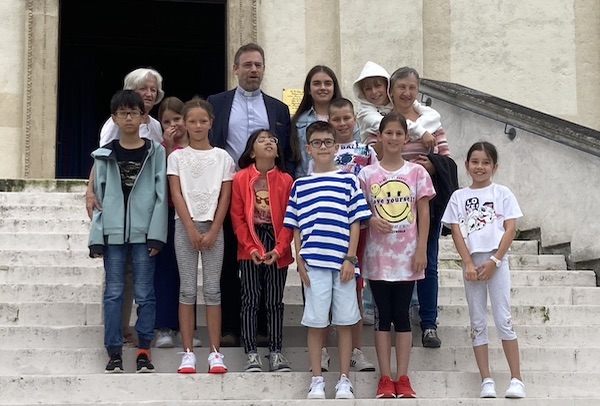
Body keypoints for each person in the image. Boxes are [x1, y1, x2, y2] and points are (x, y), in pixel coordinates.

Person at [208, 43, 292, 347]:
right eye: (247, 65)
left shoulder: (278, 109)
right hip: (230, 188)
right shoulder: (216, 103)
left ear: (264, 69)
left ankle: (263, 328)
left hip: (267, 193)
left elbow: (287, 151)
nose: (253, 70)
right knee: (231, 259)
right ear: (235, 69)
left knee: (266, 259)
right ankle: (232, 327)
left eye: (258, 65)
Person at [284, 121, 372, 400]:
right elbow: (295, 225)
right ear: (308, 148)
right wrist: (299, 259)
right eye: (317, 142)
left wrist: (350, 258)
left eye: (328, 142)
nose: (323, 147)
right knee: (316, 322)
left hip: (342, 263)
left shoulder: (348, 181)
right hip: (313, 263)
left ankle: (344, 380)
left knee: (345, 322)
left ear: (336, 147)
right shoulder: (300, 185)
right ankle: (317, 380)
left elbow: (355, 222)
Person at [88, 90, 168, 373]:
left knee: (145, 293)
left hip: (144, 234)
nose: (129, 118)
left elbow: (161, 195)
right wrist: (96, 238)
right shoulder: (103, 155)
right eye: (122, 113)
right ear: (114, 118)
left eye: (134, 113)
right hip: (113, 235)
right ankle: (114, 352)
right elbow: (99, 199)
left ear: (143, 117)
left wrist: (157, 234)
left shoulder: (155, 152)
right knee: (113, 294)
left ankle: (144, 348)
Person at [357, 113, 435, 398]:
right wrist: (369, 219)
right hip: (378, 258)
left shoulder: (417, 173)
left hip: (407, 257)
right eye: (387, 133)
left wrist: (422, 248)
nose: (392, 138)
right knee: (382, 316)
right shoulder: (367, 175)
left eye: (398, 133)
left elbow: (424, 213)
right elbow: (357, 211)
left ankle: (403, 377)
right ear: (378, 137)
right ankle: (385, 377)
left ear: (406, 138)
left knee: (402, 315)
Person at [441, 141, 526, 399]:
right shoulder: (458, 197)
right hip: (472, 264)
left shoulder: (503, 193)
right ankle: (486, 379)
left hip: (497, 261)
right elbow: (456, 231)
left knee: (503, 318)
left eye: (486, 162)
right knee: (477, 321)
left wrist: (495, 261)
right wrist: (468, 263)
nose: (480, 167)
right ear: (467, 165)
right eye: (475, 162)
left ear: (495, 166)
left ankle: (516, 379)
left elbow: (510, 229)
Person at [389, 66, 458, 348]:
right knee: (395, 263)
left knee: (428, 263)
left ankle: (429, 323)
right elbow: (373, 154)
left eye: (412, 88)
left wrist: (432, 165)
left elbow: (448, 159)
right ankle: (398, 318)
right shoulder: (382, 121)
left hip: (426, 204)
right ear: (391, 90)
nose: (406, 93)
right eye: (401, 87)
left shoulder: (431, 121)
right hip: (391, 203)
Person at [168, 97, 235, 374]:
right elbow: (176, 194)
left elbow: (225, 197)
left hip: (213, 228)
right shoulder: (176, 157)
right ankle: (188, 353)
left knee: (212, 289)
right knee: (187, 288)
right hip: (185, 227)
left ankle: (215, 353)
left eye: (203, 121)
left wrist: (214, 229)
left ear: (211, 123)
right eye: (192, 121)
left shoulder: (223, 157)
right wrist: (191, 229)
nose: (197, 126)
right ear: (185, 123)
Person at [314, 97, 377, 373]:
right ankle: (323, 350)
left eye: (346, 118)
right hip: (328, 232)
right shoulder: (324, 150)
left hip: (357, 229)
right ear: (329, 121)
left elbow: (376, 185)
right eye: (336, 119)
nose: (342, 123)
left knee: (354, 288)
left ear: (355, 119)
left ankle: (355, 351)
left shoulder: (367, 151)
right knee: (324, 291)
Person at [230, 129, 295, 372]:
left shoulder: (286, 180)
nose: (268, 142)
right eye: (261, 139)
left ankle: (276, 352)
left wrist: (280, 248)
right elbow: (237, 217)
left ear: (278, 152)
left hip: (277, 243)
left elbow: (290, 219)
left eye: (273, 140)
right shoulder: (241, 178)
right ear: (251, 152)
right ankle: (251, 353)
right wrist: (250, 247)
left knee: (274, 300)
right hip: (250, 242)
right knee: (250, 299)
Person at [154, 97, 202, 349]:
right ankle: (164, 327)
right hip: (167, 215)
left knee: (187, 273)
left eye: (177, 118)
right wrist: (169, 146)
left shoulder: (198, 147)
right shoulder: (159, 149)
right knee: (165, 270)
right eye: (166, 121)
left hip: (193, 216)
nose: (173, 124)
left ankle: (188, 328)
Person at [352, 61, 438, 157]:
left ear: (388, 87)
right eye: (368, 89)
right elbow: (389, 126)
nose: (374, 91)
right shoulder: (365, 112)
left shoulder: (397, 104)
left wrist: (433, 164)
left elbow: (422, 109)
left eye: (378, 86)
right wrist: (421, 132)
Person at [290, 65, 356, 178]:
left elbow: (356, 152)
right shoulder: (299, 122)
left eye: (328, 83)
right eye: (317, 84)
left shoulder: (347, 120)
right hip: (309, 182)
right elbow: (295, 159)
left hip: (344, 182)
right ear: (309, 89)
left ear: (334, 88)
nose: (322, 87)